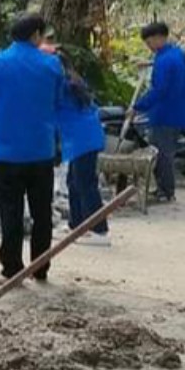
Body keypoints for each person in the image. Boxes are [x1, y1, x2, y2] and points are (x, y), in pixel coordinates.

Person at [0, 13, 65, 283]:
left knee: (10, 212)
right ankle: (41, 268)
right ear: (36, 35)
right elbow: (58, 100)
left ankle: (12, 268)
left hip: (6, 152)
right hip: (41, 151)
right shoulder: (52, 65)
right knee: (41, 213)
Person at [134, 21, 185, 203]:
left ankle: (166, 191)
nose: (148, 46)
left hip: (165, 113)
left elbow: (159, 90)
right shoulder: (176, 53)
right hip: (175, 110)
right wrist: (150, 63)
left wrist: (138, 106)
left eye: (149, 42)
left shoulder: (165, 60)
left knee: (162, 154)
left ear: (158, 38)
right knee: (163, 152)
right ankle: (163, 189)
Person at [59, 62, 111, 246]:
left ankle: (99, 230)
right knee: (73, 181)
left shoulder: (61, 85)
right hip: (83, 137)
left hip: (82, 139)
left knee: (85, 183)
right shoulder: (73, 81)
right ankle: (77, 224)